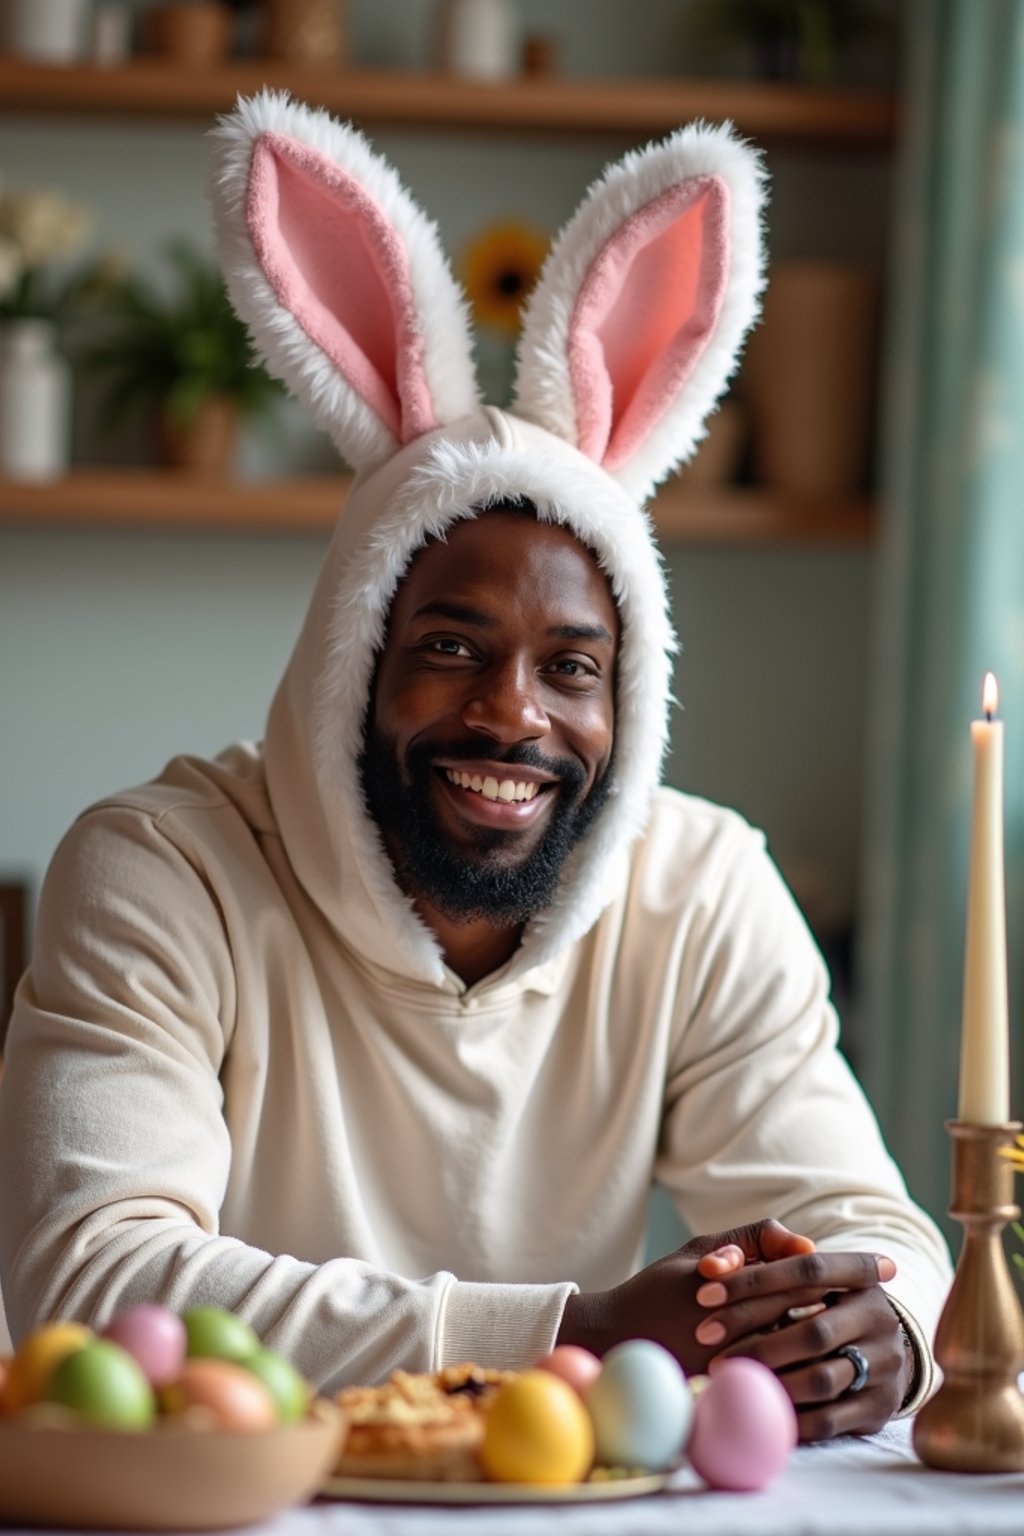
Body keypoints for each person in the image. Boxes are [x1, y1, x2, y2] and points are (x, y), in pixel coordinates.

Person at [0, 92, 951, 1442]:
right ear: (354, 660)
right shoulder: (164, 873)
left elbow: (872, 1229)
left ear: (630, 702)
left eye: (573, 667)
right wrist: (570, 1335)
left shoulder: (700, 887)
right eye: (452, 645)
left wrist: (882, 1335)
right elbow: (90, 1290)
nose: (514, 717)